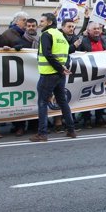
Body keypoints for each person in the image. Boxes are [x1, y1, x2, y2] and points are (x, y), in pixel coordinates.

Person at [30, 13, 77, 142]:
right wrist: (63, 68)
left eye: (42, 21)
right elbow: (66, 54)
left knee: (42, 103)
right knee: (62, 102)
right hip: (60, 75)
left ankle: (42, 133)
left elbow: (47, 54)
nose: (40, 23)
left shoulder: (47, 34)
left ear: (49, 22)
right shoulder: (60, 35)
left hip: (49, 74)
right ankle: (71, 130)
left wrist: (61, 68)